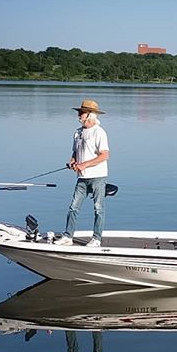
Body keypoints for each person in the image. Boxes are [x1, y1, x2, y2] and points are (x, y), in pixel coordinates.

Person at [55, 99, 110, 247]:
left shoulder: (99, 132)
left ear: (90, 115)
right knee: (73, 207)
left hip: (98, 177)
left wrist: (85, 164)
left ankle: (97, 239)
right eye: (79, 112)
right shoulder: (78, 132)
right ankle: (68, 236)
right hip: (81, 178)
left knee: (98, 208)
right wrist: (73, 161)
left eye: (82, 113)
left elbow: (105, 155)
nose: (79, 115)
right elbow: (75, 151)